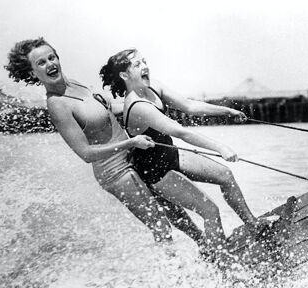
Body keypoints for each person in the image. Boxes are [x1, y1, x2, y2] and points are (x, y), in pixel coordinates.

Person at [4, 37, 204, 244]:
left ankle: (206, 248)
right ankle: (173, 273)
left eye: (51, 57)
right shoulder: (57, 105)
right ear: (31, 72)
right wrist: (130, 143)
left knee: (174, 210)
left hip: (134, 157)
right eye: (41, 63)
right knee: (160, 226)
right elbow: (85, 154)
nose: (50, 64)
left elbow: (108, 112)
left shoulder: (76, 84)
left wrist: (148, 108)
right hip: (115, 172)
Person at [100, 48, 267, 253]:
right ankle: (223, 263)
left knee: (226, 175)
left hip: (171, 155)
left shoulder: (153, 87)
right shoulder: (137, 106)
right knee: (210, 211)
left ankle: (253, 225)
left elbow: (189, 106)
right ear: (124, 75)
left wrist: (227, 111)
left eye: (144, 61)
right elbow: (181, 132)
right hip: (156, 173)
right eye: (137, 65)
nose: (145, 66)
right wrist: (221, 147)